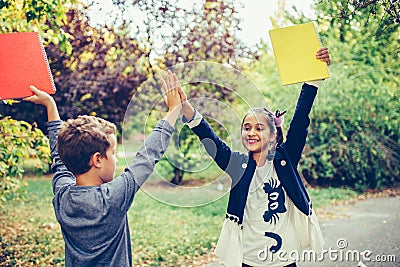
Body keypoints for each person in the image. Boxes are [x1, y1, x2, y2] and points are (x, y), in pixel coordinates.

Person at [164, 48, 331, 267]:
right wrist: (186, 107)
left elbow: (300, 121)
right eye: (247, 127)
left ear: (272, 136)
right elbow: (209, 138)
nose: (251, 132)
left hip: (285, 260)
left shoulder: (285, 158)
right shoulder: (237, 164)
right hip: (250, 260)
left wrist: (312, 81)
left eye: (259, 128)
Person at [22, 76, 181, 267]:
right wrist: (174, 111)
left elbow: (59, 160)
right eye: (112, 153)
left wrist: (50, 106)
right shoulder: (112, 198)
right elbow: (146, 157)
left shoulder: (62, 196)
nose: (116, 159)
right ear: (97, 159)